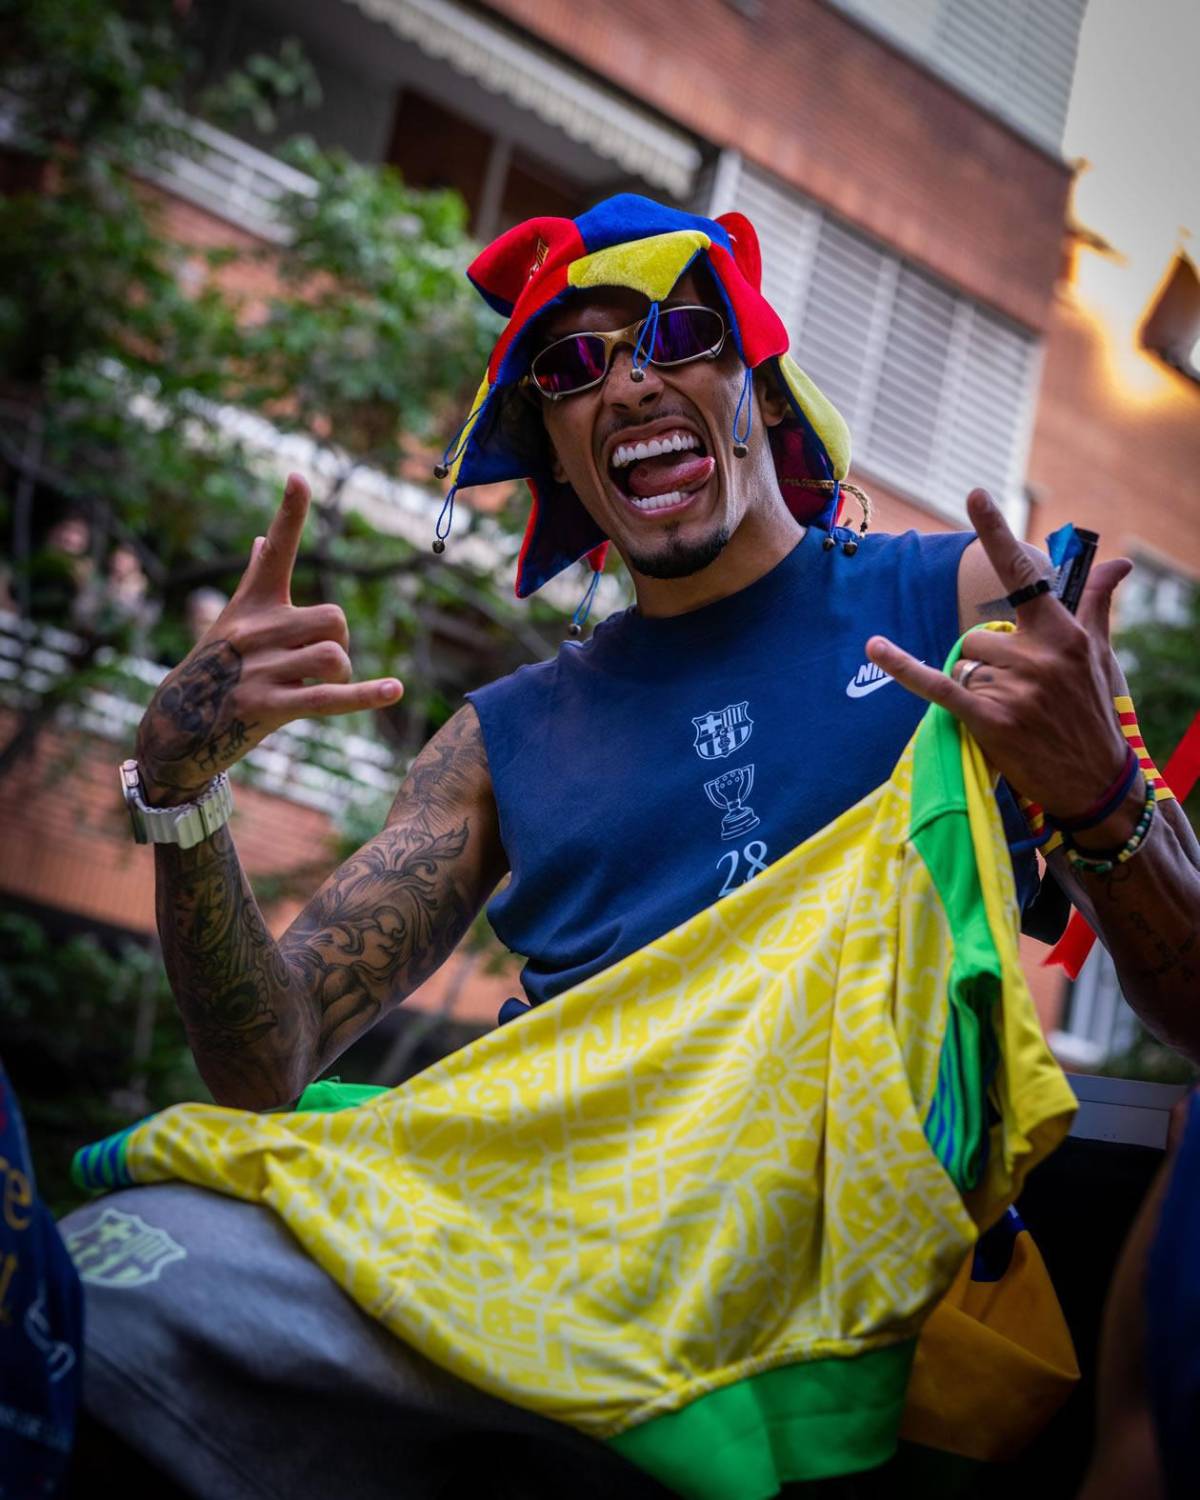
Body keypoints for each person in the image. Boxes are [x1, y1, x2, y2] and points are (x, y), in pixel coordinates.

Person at [126, 194, 1200, 1114]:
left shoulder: (972, 602)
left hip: (866, 1239)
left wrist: (1099, 793)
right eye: (572, 366)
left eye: (679, 335)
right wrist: (181, 793)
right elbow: (269, 1061)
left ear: (764, 389)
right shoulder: (496, 745)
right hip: (550, 1227)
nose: (631, 383)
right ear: (558, 455)